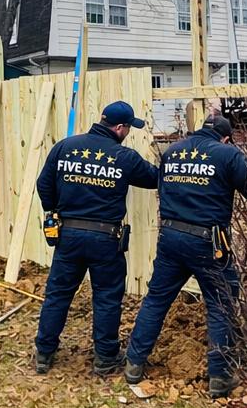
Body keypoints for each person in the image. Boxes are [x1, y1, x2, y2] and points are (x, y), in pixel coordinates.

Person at [124, 113, 247, 398]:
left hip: (170, 236)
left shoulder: (172, 152)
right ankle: (220, 377)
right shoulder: (227, 154)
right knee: (221, 304)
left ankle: (134, 363)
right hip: (209, 241)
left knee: (157, 300)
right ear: (224, 137)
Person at [34, 100, 159, 375]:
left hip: (69, 234)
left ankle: (44, 353)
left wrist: (53, 210)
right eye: (128, 128)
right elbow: (154, 178)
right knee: (106, 297)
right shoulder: (124, 157)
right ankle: (105, 358)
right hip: (105, 239)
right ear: (119, 127)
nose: (128, 133)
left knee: (58, 294)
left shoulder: (66, 147)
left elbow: (43, 183)